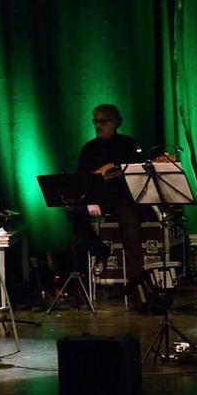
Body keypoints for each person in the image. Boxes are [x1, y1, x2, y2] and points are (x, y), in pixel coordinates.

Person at [67, 104, 145, 287]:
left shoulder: (129, 144)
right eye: (95, 120)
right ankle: (99, 249)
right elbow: (81, 179)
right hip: (97, 198)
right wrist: (90, 200)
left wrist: (113, 168)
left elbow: (137, 170)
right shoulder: (89, 148)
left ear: (115, 123)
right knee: (72, 210)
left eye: (103, 121)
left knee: (131, 226)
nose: (97, 125)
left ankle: (138, 283)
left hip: (122, 198)